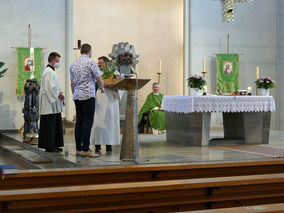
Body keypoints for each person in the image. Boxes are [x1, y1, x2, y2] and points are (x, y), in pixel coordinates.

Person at [70, 43, 105, 157]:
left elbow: (72, 83)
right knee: (87, 121)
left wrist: (74, 93)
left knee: (79, 121)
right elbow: (98, 77)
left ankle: (78, 149)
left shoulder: (73, 64)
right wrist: (102, 87)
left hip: (77, 96)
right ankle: (86, 149)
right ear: (89, 51)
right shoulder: (91, 62)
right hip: (88, 95)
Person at [90, 56, 120, 153]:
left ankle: (109, 144)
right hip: (99, 100)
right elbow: (92, 85)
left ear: (106, 63)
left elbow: (120, 85)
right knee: (98, 122)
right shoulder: (95, 72)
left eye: (101, 63)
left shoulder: (114, 73)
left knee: (109, 122)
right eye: (98, 63)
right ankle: (97, 145)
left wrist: (114, 86)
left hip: (110, 99)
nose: (99, 64)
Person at [38, 52, 64, 152]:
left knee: (55, 125)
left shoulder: (52, 71)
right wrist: (58, 94)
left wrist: (59, 92)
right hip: (49, 104)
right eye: (57, 61)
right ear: (52, 60)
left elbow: (55, 86)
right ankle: (49, 146)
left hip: (54, 103)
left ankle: (54, 144)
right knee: (50, 125)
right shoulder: (48, 71)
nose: (59, 63)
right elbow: (50, 88)